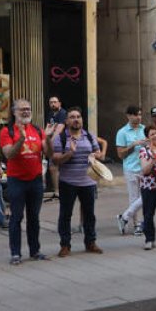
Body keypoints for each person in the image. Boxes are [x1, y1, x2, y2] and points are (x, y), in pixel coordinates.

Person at [0, 99, 49, 265]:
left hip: (35, 180)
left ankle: (35, 251)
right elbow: (9, 155)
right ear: (14, 112)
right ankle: (15, 253)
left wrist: (48, 138)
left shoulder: (37, 129)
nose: (26, 112)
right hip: (16, 181)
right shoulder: (7, 132)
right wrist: (20, 139)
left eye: (28, 109)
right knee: (16, 217)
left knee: (34, 217)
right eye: (22, 110)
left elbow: (48, 152)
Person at [51, 107, 103, 257]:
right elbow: (56, 159)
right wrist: (70, 153)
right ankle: (65, 245)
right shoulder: (60, 138)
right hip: (68, 182)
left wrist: (95, 155)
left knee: (89, 214)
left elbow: (98, 153)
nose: (76, 119)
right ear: (67, 121)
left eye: (78, 117)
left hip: (88, 182)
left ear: (82, 120)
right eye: (72, 117)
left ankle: (90, 242)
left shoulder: (89, 136)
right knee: (65, 214)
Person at [115, 106, 146, 237]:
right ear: (128, 116)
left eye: (139, 114)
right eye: (135, 115)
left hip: (145, 167)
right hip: (131, 168)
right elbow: (120, 154)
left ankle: (124, 217)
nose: (138, 117)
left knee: (145, 195)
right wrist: (133, 145)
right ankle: (137, 225)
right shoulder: (122, 132)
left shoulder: (144, 129)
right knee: (134, 198)